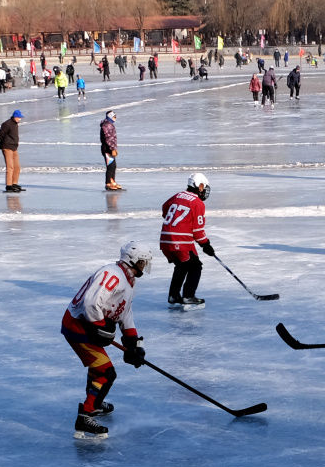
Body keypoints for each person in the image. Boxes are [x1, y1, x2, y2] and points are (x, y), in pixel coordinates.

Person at [62, 240, 152, 439]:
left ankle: (96, 401)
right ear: (133, 260)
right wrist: (99, 327)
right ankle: (85, 415)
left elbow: (124, 313)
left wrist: (133, 342)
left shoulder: (128, 280)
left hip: (86, 326)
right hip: (77, 327)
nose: (144, 266)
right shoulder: (113, 274)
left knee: (100, 368)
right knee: (106, 373)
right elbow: (91, 303)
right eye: (143, 262)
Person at [160, 173, 214, 310]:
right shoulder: (197, 203)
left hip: (165, 239)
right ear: (200, 186)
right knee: (195, 266)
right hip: (180, 241)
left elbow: (164, 207)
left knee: (182, 265)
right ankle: (188, 296)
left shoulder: (177, 195)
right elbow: (198, 231)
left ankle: (173, 295)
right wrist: (206, 245)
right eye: (204, 187)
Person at [0, 109, 25, 192]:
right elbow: (0, 135)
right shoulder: (7, 124)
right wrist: (3, 144)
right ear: (15, 117)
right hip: (7, 147)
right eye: (19, 118)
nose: (20, 119)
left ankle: (14, 183)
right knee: (10, 167)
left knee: (17, 167)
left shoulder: (15, 124)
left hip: (14, 148)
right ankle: (8, 185)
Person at [100, 110, 123, 190]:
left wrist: (114, 148)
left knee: (113, 166)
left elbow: (112, 138)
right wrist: (112, 149)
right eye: (114, 116)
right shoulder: (106, 125)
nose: (115, 118)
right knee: (110, 166)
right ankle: (108, 183)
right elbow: (108, 138)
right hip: (107, 149)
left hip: (111, 148)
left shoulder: (110, 124)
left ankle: (112, 181)